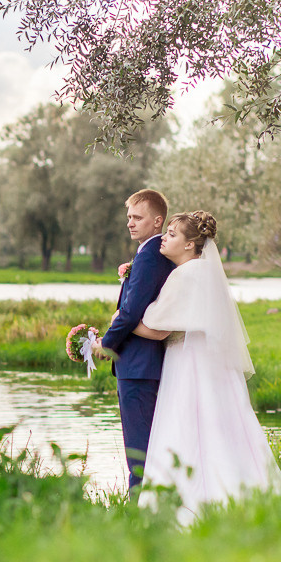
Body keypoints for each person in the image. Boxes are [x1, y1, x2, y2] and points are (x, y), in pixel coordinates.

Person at [131, 211, 281, 525]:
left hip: (188, 362)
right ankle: (245, 494)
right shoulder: (207, 273)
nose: (164, 239)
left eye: (172, 234)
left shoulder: (184, 274)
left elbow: (156, 327)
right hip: (215, 363)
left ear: (190, 244)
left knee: (186, 424)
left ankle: (188, 505)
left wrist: (122, 322)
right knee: (226, 424)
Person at [93, 189, 175, 491]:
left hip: (139, 367)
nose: (130, 223)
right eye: (129, 217)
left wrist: (106, 344)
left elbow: (130, 313)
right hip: (143, 365)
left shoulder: (151, 256)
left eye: (137, 217)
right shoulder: (150, 254)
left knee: (139, 451)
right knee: (146, 446)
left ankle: (137, 508)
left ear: (158, 221)